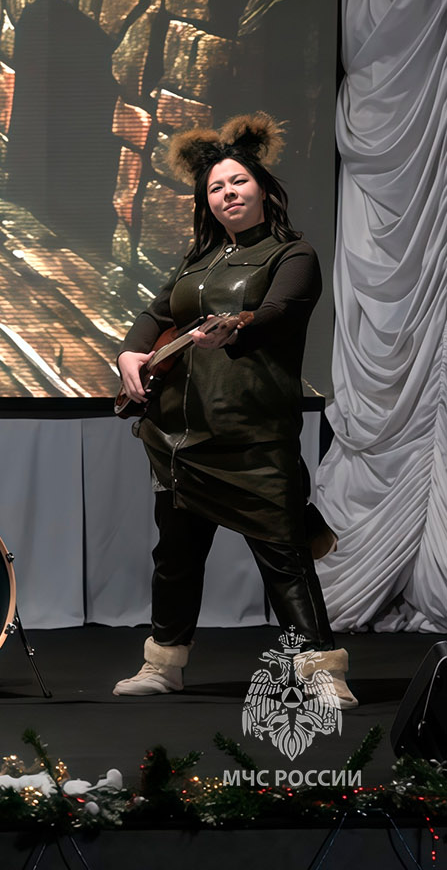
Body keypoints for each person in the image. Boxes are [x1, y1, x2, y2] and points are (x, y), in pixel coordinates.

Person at [111, 113, 354, 707]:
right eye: (216, 187)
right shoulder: (197, 262)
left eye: (238, 182)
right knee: (175, 558)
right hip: (179, 437)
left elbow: (279, 313)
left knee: (285, 559)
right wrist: (130, 353)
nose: (228, 194)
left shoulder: (292, 254)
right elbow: (156, 311)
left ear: (263, 188)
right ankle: (163, 665)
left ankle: (320, 671)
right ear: (208, 202)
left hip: (253, 436)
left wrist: (238, 326)